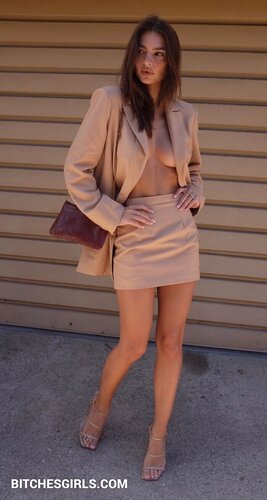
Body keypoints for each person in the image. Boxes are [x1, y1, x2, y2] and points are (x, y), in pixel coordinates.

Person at [63, 15, 206, 481]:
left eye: (158, 54)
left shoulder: (185, 113)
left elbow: (195, 169)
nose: (148, 61)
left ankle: (158, 434)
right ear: (132, 55)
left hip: (179, 234)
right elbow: (75, 171)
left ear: (171, 61)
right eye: (142, 51)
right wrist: (114, 214)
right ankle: (101, 404)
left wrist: (196, 191)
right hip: (136, 234)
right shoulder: (110, 101)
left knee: (171, 342)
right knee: (133, 344)